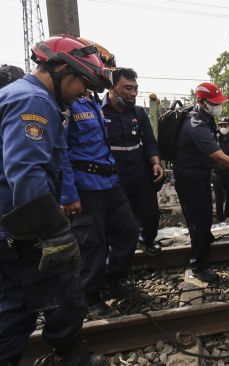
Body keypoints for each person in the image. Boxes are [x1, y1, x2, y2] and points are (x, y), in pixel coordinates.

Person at [0, 34, 107, 366]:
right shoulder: (35, 101)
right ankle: (72, 358)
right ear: (61, 69)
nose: (82, 95)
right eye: (82, 84)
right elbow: (26, 170)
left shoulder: (24, 95)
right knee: (55, 297)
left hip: (12, 225)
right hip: (20, 227)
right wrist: (54, 233)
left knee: (15, 306)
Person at [60, 39, 139, 319]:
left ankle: (112, 281)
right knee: (93, 245)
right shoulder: (70, 102)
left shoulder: (92, 101)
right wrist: (68, 193)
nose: (106, 74)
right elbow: (62, 153)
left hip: (110, 182)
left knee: (129, 231)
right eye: (105, 69)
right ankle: (90, 298)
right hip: (86, 186)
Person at [175, 82, 229, 282]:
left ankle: (202, 243)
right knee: (199, 222)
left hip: (200, 175)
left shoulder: (207, 118)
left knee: (202, 219)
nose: (218, 106)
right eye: (214, 103)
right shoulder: (196, 123)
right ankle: (198, 266)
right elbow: (218, 156)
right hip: (189, 178)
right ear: (201, 102)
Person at [103, 67, 164, 257]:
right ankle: (118, 257)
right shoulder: (98, 111)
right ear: (112, 88)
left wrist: (155, 163)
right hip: (114, 174)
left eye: (135, 88)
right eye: (127, 88)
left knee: (151, 212)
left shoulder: (138, 113)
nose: (133, 93)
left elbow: (149, 140)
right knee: (120, 219)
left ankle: (147, 240)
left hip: (139, 171)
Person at [212, 117, 229, 227]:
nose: (223, 128)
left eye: (225, 125)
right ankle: (220, 219)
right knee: (219, 196)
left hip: (228, 171)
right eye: (221, 125)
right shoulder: (216, 138)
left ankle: (227, 216)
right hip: (216, 171)